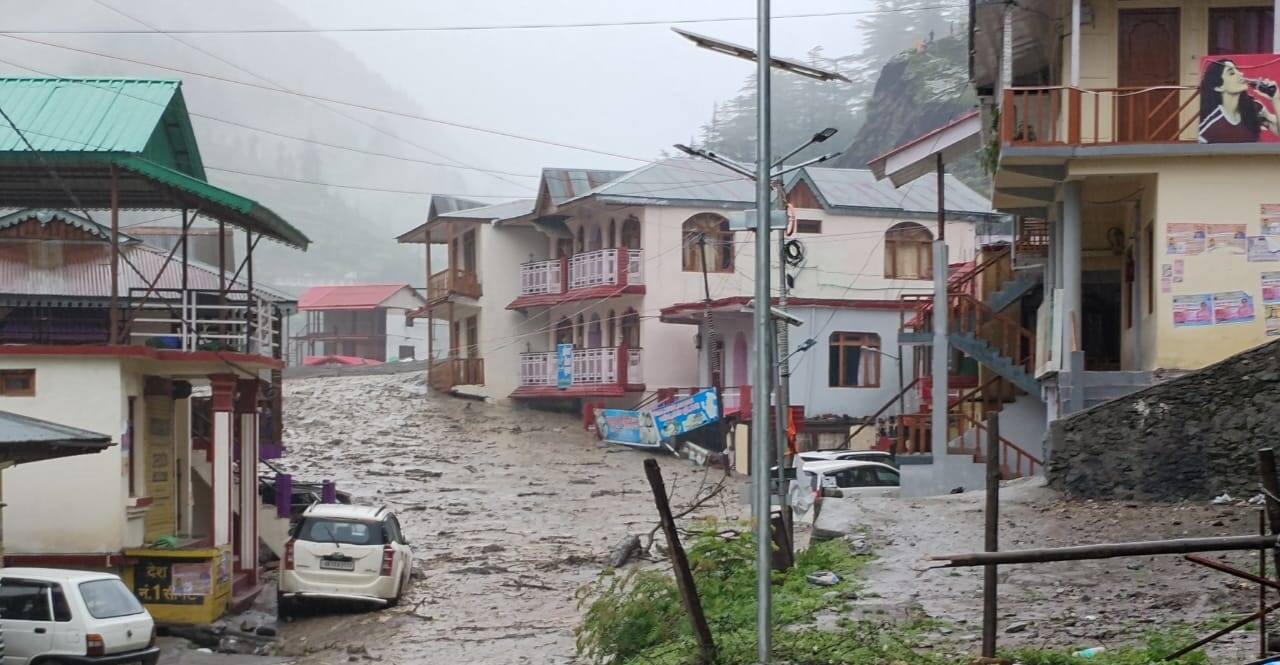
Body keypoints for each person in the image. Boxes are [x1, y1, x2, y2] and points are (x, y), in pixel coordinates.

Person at [1200, 58, 1279, 143]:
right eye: (1232, 73)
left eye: (1237, 70)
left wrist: (1275, 99)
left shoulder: (1254, 107)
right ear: (1219, 87)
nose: (1241, 74)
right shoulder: (1209, 128)